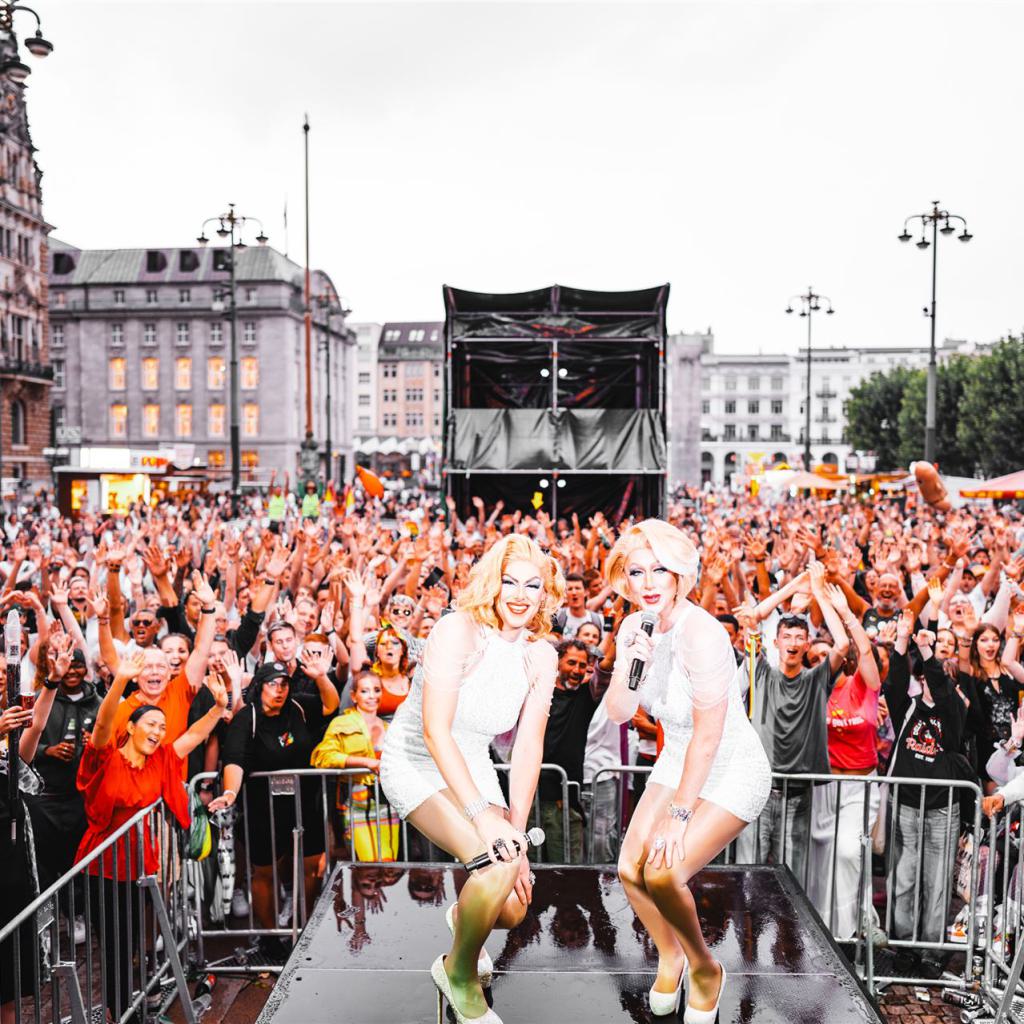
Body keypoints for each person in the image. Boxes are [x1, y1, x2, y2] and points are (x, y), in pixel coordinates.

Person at [379, 534, 562, 1024]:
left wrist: (516, 833)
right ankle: (457, 973)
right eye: (509, 582)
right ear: (491, 583)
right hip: (417, 759)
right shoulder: (457, 630)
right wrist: (483, 816)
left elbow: (528, 748)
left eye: (532, 584)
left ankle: (464, 920)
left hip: (474, 761)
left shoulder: (542, 655)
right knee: (495, 866)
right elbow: (436, 732)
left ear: (546, 592)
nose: (520, 595)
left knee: (513, 908)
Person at [604, 518, 771, 1020]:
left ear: (680, 574)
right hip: (677, 758)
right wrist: (630, 662)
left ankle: (705, 968)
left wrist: (678, 816)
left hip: (729, 764)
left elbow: (710, 734)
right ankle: (670, 955)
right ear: (624, 579)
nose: (649, 582)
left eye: (660, 569)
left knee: (664, 873)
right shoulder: (633, 627)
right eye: (637, 572)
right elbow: (616, 711)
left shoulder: (703, 633)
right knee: (629, 871)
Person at [75, 650, 228, 1022]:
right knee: (114, 947)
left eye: (162, 727)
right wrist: (119, 684)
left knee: (127, 944)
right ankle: (120, 1012)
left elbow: (192, 736)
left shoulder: (160, 759)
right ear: (130, 727)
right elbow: (100, 727)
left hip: (139, 865)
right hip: (103, 867)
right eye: (152, 725)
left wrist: (218, 707)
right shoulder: (107, 755)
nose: (158, 732)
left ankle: (129, 1007)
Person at [207, 647, 339, 953]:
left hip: (304, 802)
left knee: (311, 865)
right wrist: (229, 792)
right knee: (265, 871)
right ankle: (269, 936)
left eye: (284, 684)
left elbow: (330, 706)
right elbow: (235, 758)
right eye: (272, 684)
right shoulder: (247, 718)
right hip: (262, 808)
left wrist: (320, 678)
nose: (279, 691)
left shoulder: (298, 707)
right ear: (259, 686)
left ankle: (304, 925)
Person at [312, 671, 397, 861]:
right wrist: (366, 762)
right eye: (365, 691)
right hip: (354, 801)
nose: (372, 696)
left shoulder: (389, 728)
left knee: (389, 862)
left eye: (376, 690)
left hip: (386, 802)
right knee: (366, 865)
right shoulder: (341, 723)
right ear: (354, 696)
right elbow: (323, 757)